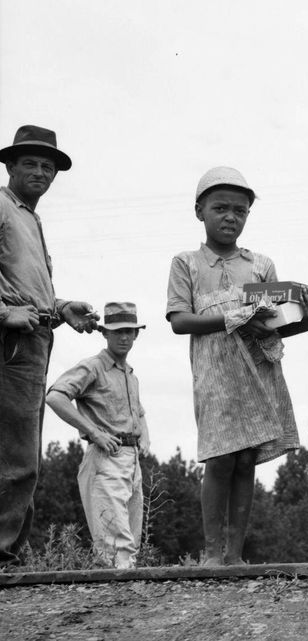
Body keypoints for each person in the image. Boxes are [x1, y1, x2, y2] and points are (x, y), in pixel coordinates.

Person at [166, 167, 308, 566]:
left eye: (239, 210)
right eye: (220, 208)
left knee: (247, 458)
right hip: (215, 372)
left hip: (257, 368)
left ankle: (235, 554)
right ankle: (212, 553)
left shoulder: (261, 265)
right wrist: (234, 319)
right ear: (200, 211)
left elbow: (275, 326)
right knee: (220, 457)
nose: (230, 217)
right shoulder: (187, 264)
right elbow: (180, 321)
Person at [0, 125, 100, 566]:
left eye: (48, 165)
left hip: (35, 338)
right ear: (9, 166)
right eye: (30, 163)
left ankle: (11, 551)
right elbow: (13, 300)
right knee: (16, 454)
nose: (40, 171)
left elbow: (27, 288)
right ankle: (4, 555)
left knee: (24, 452)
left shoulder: (30, 217)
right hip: (12, 341)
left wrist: (61, 307)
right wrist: (4, 315)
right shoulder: (2, 208)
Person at [45, 302, 149, 569]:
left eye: (129, 331)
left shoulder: (130, 374)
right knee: (115, 546)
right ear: (105, 333)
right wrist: (94, 432)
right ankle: (118, 604)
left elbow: (139, 411)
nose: (124, 337)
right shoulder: (93, 366)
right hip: (105, 458)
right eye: (117, 332)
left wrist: (144, 439)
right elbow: (55, 397)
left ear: (136, 334)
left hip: (132, 460)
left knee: (130, 544)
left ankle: (124, 605)